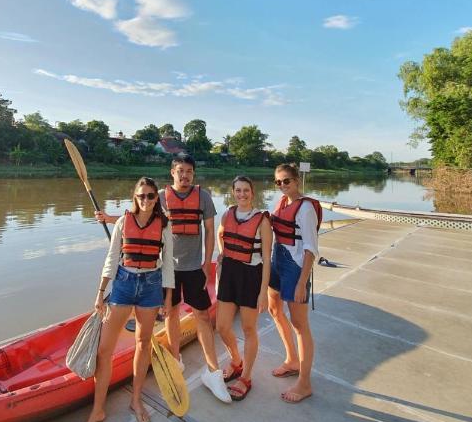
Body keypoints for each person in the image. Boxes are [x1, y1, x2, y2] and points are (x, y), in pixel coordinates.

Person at [96, 153, 231, 403]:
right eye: (180, 170)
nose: (185, 175)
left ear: (193, 174)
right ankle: (175, 359)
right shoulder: (158, 196)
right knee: (171, 311)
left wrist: (206, 263)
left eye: (189, 171)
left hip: (193, 267)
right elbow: (139, 216)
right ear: (172, 172)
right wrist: (109, 219)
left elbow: (210, 230)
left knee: (202, 314)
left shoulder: (203, 197)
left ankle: (213, 372)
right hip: (165, 269)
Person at [78, 177, 174, 422]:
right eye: (141, 196)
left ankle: (136, 399)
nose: (146, 201)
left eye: (151, 196)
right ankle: (98, 409)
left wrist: (167, 299)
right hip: (123, 284)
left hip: (151, 286)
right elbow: (111, 258)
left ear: (157, 198)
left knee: (143, 343)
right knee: (104, 350)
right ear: (135, 197)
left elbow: (167, 265)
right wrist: (100, 293)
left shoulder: (164, 224)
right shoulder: (122, 221)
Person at [267, 163, 320, 404]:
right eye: (278, 182)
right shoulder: (281, 203)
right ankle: (291, 360)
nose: (282, 186)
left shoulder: (305, 208)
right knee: (274, 309)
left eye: (286, 181)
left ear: (297, 181)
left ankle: (305, 383)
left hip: (295, 265)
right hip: (277, 258)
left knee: (299, 323)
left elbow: (310, 248)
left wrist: (301, 282)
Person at [215, 176, 272, 400]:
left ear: (253, 192)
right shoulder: (227, 214)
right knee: (221, 326)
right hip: (229, 272)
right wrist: (222, 254)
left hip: (251, 276)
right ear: (232, 192)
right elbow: (221, 234)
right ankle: (236, 361)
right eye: (238, 190)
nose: (242, 194)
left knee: (249, 329)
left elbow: (267, 259)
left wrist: (263, 292)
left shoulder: (262, 221)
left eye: (246, 190)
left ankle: (246, 377)